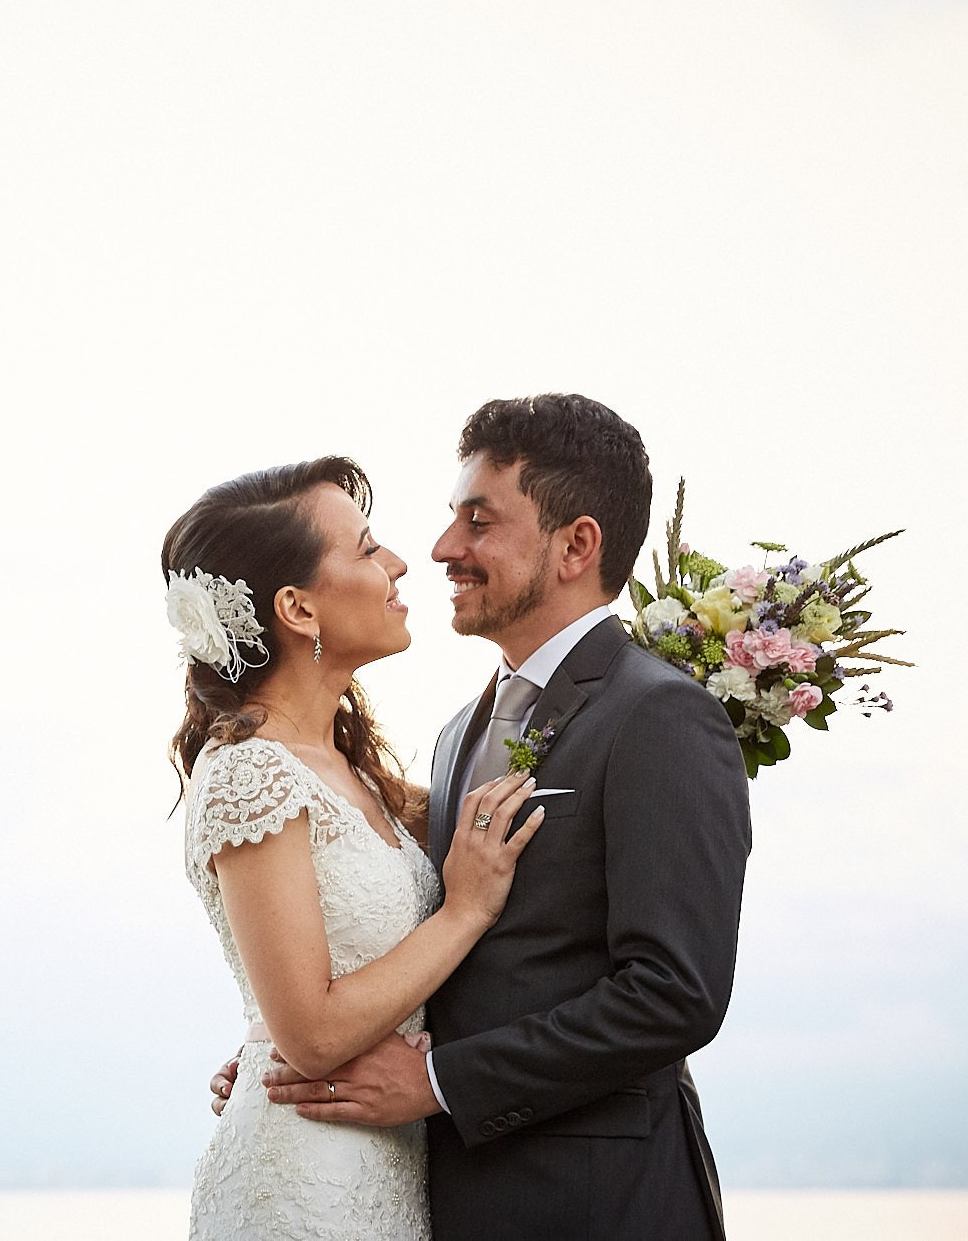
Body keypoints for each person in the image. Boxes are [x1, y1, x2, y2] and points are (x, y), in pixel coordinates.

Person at [216, 395, 753, 1241]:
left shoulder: (661, 716)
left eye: (479, 521)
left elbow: (674, 993)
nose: (441, 550)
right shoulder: (452, 735)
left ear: (577, 544)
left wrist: (440, 1082)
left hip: (600, 1204)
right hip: (442, 1197)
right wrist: (296, 1049)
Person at [165, 455, 547, 1241]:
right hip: (306, 1190)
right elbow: (309, 1035)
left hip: (384, 1168)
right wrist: (465, 910)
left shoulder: (350, 770)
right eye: (368, 548)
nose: (401, 562)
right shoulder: (248, 774)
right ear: (298, 608)